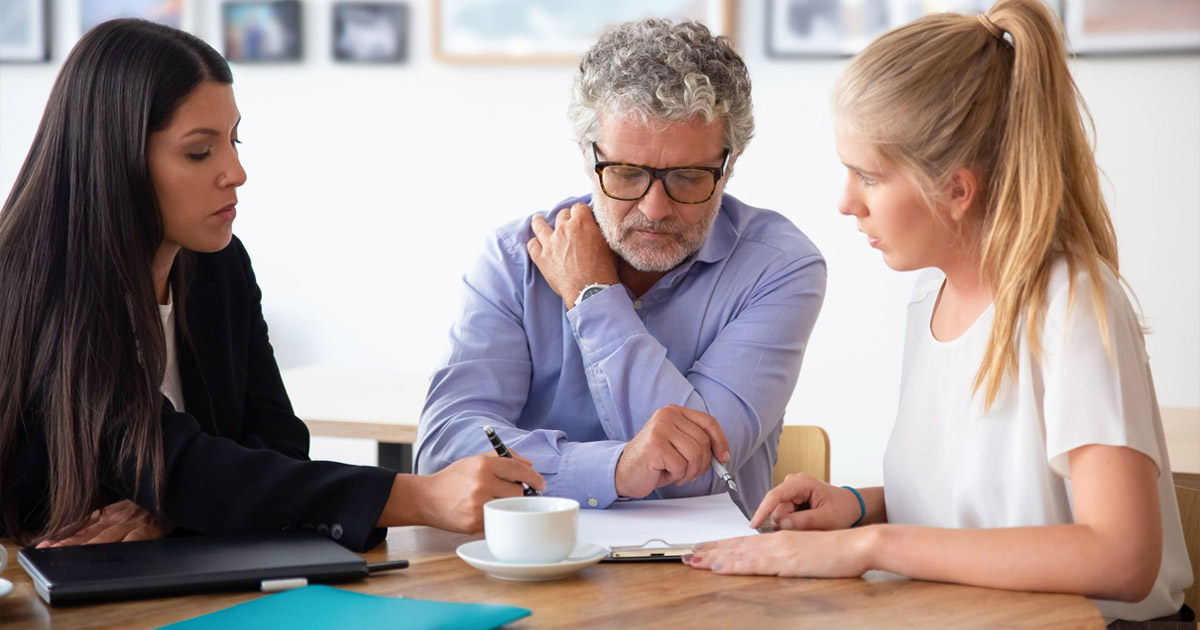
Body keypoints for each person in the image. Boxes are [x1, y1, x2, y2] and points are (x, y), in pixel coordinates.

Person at [683, 0, 1193, 623]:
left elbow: (1121, 558)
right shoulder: (931, 297)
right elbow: (990, 515)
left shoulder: (1069, 304)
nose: (846, 203)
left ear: (956, 188)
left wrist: (871, 543)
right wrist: (860, 506)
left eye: (867, 176)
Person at [0, 19, 543, 553]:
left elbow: (278, 444)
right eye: (199, 151)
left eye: (234, 140)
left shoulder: (219, 266)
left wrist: (175, 509)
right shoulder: (36, 289)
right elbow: (176, 462)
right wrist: (419, 497)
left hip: (178, 572)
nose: (235, 171)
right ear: (116, 158)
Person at [415, 18, 827, 512]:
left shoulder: (779, 268)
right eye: (627, 174)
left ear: (730, 162)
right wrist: (614, 468)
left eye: (689, 178)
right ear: (589, 157)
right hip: (534, 563)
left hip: (710, 572)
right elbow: (443, 458)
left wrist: (592, 294)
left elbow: (697, 473)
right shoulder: (512, 259)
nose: (654, 209)